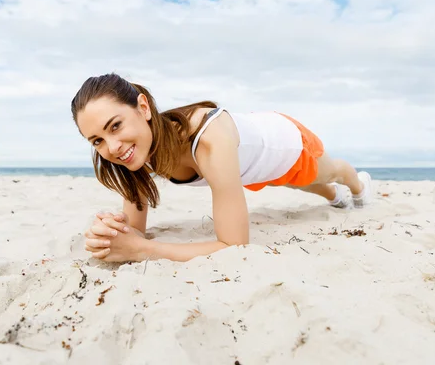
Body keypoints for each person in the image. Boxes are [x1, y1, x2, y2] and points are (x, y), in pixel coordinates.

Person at [71, 73, 372, 263]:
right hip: (251, 169)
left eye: (116, 126)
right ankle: (335, 198)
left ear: (144, 108)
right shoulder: (133, 153)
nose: (112, 148)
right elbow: (134, 231)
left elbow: (233, 245)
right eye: (97, 140)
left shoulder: (209, 141)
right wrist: (113, 230)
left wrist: (142, 251)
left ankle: (357, 187)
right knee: (296, 184)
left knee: (327, 172)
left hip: (287, 146)